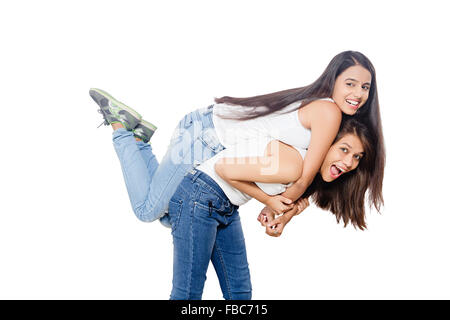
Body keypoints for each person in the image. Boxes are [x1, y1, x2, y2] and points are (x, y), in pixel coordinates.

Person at [89, 50, 384, 228]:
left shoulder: (329, 114)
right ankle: (120, 128)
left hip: (210, 138)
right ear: (333, 81)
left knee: (170, 216)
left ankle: (139, 141)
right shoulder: (329, 112)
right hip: (205, 137)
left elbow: (306, 175)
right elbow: (305, 176)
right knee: (148, 211)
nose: (358, 94)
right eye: (350, 84)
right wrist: (275, 206)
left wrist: (282, 210)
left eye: (365, 87)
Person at [167, 118, 375, 299]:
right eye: (344, 149)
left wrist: (282, 217)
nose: (349, 162)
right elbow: (224, 169)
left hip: (225, 206)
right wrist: (268, 199)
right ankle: (135, 143)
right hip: (199, 196)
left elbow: (293, 200)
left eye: (357, 156)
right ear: (326, 143)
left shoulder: (307, 177)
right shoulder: (294, 165)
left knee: (239, 294)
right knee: (188, 294)